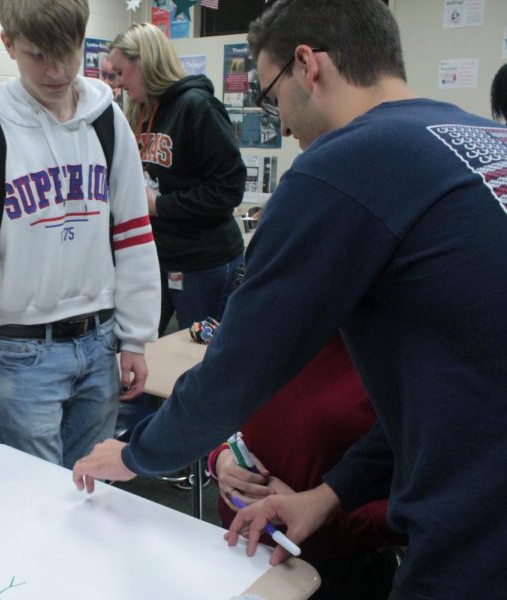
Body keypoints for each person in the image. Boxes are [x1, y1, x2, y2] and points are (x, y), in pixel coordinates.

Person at [72, 1, 507, 598]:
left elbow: (237, 372)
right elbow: (448, 389)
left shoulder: (344, 164)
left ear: (308, 66)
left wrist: (133, 454)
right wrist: (332, 494)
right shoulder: (479, 137)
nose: (286, 126)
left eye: (273, 98)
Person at [0, 0, 160, 469]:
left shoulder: (109, 122)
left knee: (94, 490)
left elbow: (133, 236)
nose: (55, 70)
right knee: (32, 502)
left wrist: (135, 337)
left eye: (67, 53)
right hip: (21, 351)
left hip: (100, 339)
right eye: (37, 56)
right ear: (8, 44)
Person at [208, 333, 403, 600]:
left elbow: (430, 499)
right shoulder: (269, 330)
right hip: (237, 552)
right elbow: (226, 416)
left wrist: (326, 511)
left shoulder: (399, 356)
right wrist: (221, 458)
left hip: (333, 572)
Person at [109, 23, 246, 336]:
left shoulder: (197, 107)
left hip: (203, 262)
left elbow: (227, 191)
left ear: (143, 61)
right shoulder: (141, 111)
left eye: (121, 71)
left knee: (196, 359)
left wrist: (159, 205)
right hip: (158, 258)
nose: (118, 82)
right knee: (145, 350)